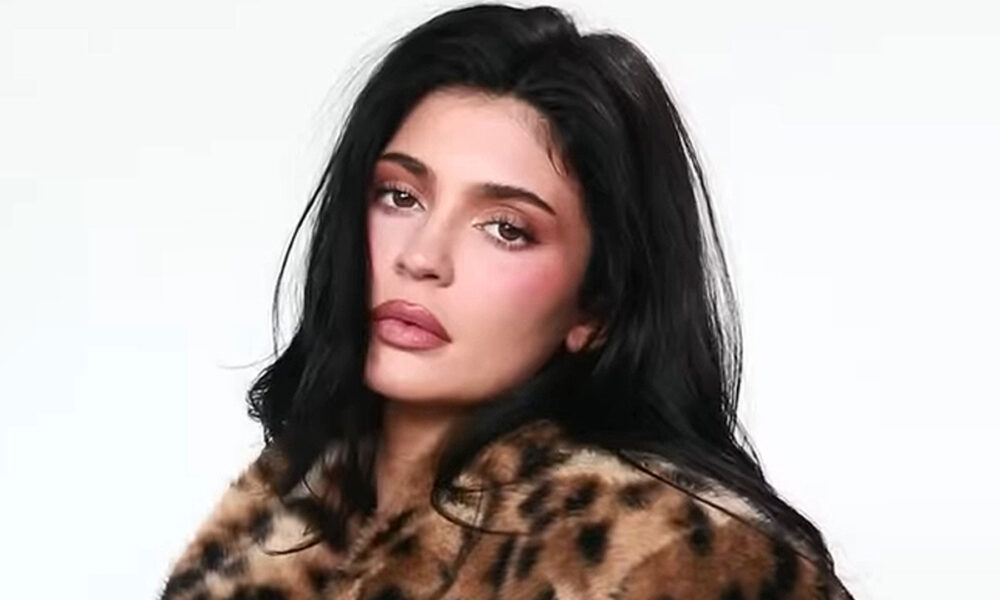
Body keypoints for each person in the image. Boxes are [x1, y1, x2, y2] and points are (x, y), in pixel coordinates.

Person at [158, 4, 854, 599]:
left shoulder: (670, 562)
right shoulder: (273, 525)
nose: (422, 257)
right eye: (400, 196)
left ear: (596, 307)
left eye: (506, 229)